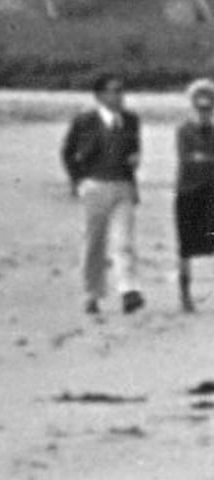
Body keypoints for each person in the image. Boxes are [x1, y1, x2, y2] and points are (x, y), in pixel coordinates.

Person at [60, 73, 145, 318]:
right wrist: (78, 181)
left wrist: (135, 161)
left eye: (121, 90)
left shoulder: (131, 120)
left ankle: (128, 290)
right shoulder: (85, 121)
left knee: (124, 241)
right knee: (94, 242)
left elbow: (134, 149)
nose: (119, 96)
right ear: (100, 96)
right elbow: (67, 152)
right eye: (114, 91)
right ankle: (92, 293)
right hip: (95, 185)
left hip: (123, 186)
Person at [178, 80, 214, 313]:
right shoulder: (184, 130)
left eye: (207, 108)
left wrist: (202, 158)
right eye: (200, 108)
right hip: (188, 192)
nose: (204, 112)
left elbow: (198, 158)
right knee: (186, 247)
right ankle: (185, 294)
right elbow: (187, 158)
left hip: (210, 191)